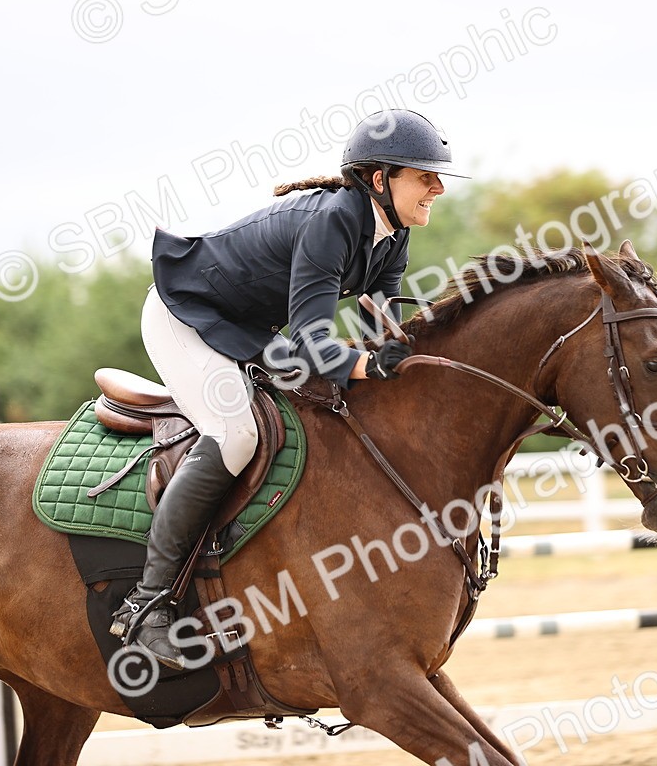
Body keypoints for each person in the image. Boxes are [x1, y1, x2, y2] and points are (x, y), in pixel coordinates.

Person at [112, 109, 467, 668]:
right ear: (380, 179)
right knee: (234, 435)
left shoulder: (391, 235)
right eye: (424, 176)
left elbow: (381, 326)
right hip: (183, 314)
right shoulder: (331, 223)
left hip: (249, 329)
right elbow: (311, 345)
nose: (437, 188)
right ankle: (145, 606)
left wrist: (404, 359)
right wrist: (373, 368)